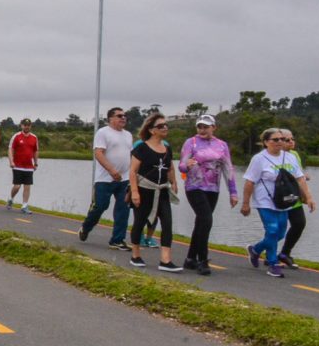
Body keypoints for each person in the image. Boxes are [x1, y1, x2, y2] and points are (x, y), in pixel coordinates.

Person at [240, 127, 315, 278]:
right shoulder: (259, 159)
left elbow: (300, 178)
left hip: (283, 201)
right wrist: (245, 203)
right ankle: (273, 264)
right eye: (275, 140)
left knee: (280, 232)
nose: (280, 142)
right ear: (266, 142)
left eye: (282, 139)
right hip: (264, 201)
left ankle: (255, 250)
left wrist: (309, 197)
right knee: (272, 230)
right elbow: (249, 182)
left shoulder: (290, 157)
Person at [178, 113, 237, 275]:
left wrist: (233, 192)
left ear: (214, 128)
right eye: (200, 127)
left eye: (206, 127)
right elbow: (182, 165)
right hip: (194, 187)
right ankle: (203, 260)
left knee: (201, 223)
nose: (202, 130)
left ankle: (190, 258)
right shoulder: (192, 142)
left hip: (212, 189)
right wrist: (186, 165)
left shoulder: (222, 145)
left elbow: (228, 168)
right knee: (206, 220)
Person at [127, 113, 182, 271]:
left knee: (167, 223)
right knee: (140, 222)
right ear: (152, 130)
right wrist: (135, 192)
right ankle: (136, 255)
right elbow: (133, 172)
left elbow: (170, 167)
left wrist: (174, 182)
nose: (165, 128)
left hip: (162, 190)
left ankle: (165, 260)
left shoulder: (167, 148)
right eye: (160, 126)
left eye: (166, 125)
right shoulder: (142, 148)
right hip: (145, 189)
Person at [78, 107, 134, 250]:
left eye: (125, 116)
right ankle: (86, 227)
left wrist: (133, 174)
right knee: (100, 206)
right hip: (105, 179)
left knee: (124, 208)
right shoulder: (103, 133)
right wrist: (111, 170)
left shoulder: (128, 135)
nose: (123, 118)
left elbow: (131, 155)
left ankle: (117, 240)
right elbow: (99, 153)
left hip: (124, 179)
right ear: (110, 119)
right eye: (119, 116)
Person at [279, 129, 315, 269]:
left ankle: (285, 253)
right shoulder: (273, 156)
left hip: (294, 196)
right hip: (279, 198)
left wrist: (307, 195)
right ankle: (268, 254)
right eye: (287, 140)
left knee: (299, 223)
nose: (291, 142)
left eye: (292, 139)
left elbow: (298, 174)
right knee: (277, 229)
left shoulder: (294, 155)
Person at [6, 118, 38, 215]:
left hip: (29, 166)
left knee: (27, 187)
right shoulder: (16, 136)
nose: (26, 127)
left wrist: (36, 163)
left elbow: (36, 151)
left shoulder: (34, 137)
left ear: (30, 126)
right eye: (25, 125)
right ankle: (11, 199)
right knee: (17, 186)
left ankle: (24, 205)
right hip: (17, 166)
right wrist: (11, 161)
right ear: (21, 126)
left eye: (28, 125)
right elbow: (10, 149)